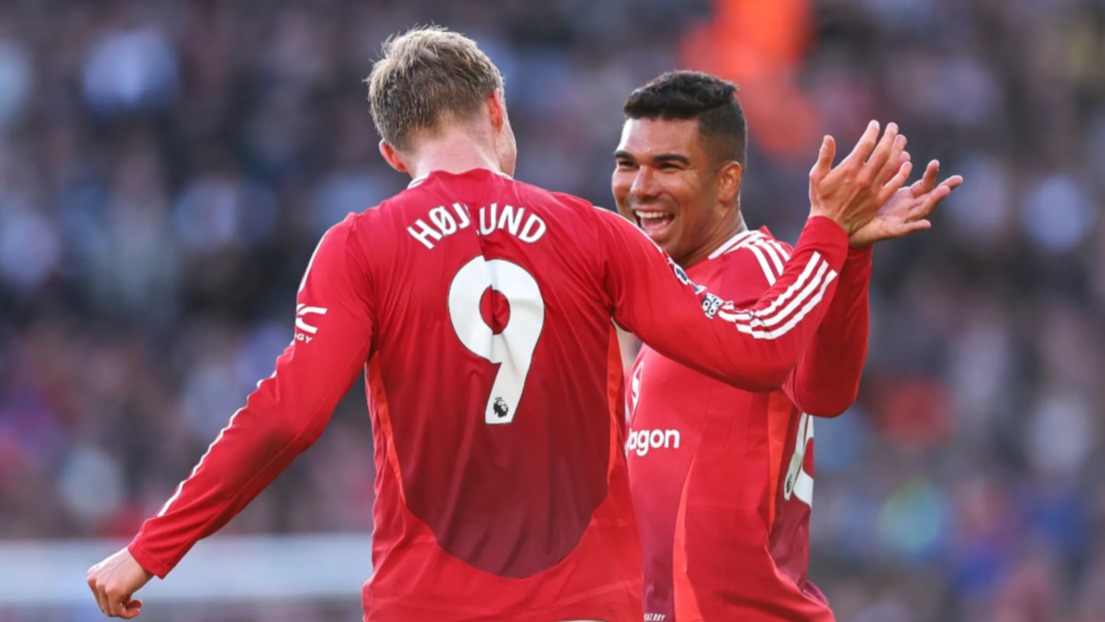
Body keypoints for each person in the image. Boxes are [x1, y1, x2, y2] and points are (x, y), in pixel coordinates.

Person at [87, 27, 911, 621]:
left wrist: (153, 547)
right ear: (497, 109)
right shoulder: (594, 233)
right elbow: (760, 349)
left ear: (390, 153)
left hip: (426, 608)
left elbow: (288, 416)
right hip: (590, 606)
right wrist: (828, 233)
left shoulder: (358, 248)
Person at [613, 70, 963, 621]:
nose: (639, 188)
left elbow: (823, 390)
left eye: (668, 167)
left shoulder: (763, 267)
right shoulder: (668, 302)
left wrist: (835, 243)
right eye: (628, 164)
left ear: (727, 182)